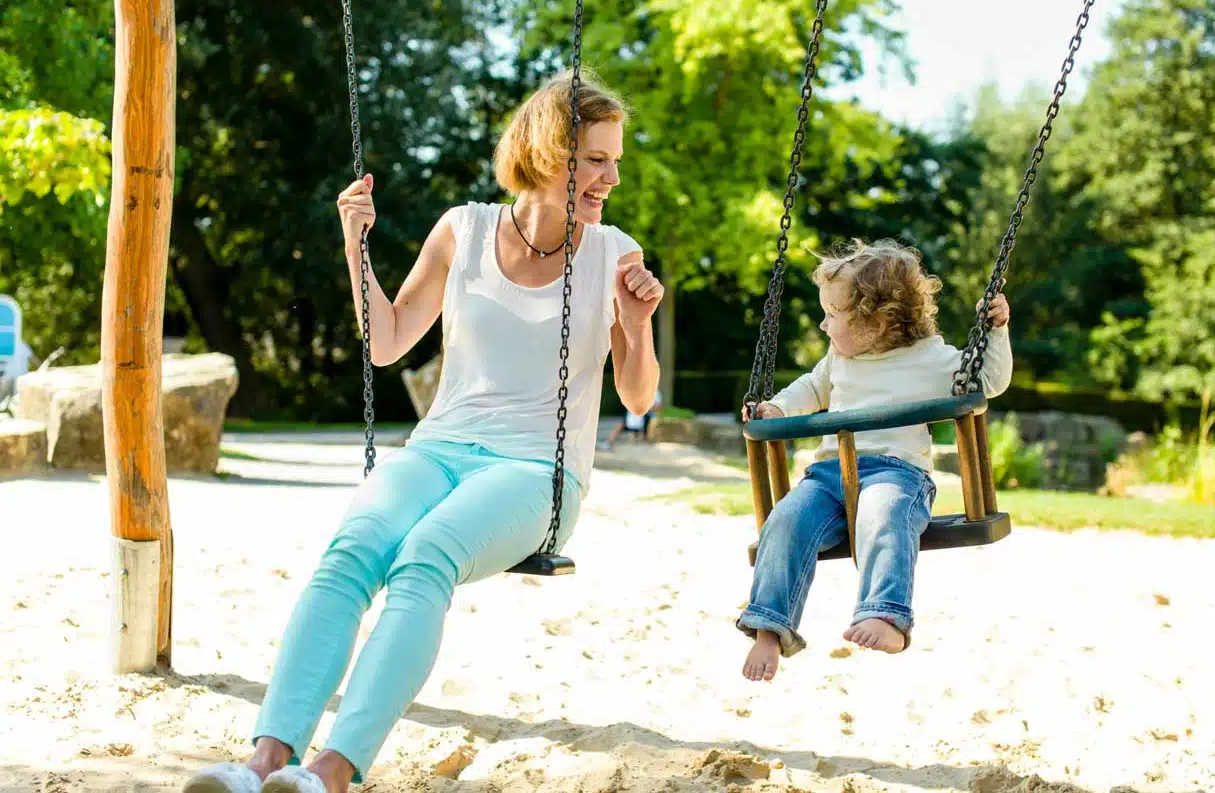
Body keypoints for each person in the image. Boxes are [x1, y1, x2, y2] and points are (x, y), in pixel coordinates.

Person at [183, 72, 662, 793]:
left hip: (538, 471)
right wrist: (356, 245)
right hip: (440, 447)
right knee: (352, 551)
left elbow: (637, 394)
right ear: (548, 151)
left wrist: (635, 323)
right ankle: (263, 762)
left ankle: (332, 771)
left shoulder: (613, 252)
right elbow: (388, 341)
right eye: (597, 160)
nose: (611, 178)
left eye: (614, 161)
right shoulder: (461, 230)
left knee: (425, 555)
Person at [736, 239, 1012, 682]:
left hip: (896, 473)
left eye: (833, 314)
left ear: (878, 321)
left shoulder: (933, 359)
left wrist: (995, 330)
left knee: (883, 515)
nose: (824, 325)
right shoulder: (838, 360)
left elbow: (987, 381)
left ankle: (886, 615)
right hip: (828, 476)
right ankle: (769, 625)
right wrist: (777, 409)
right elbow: (808, 389)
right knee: (785, 521)